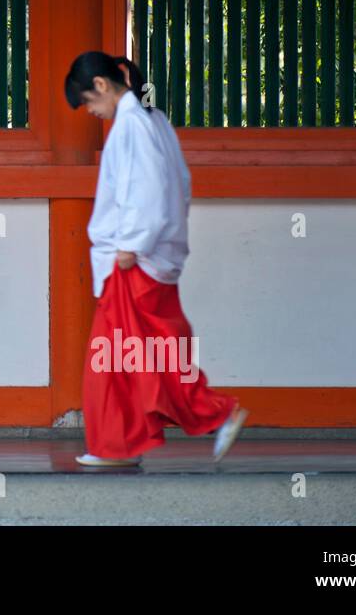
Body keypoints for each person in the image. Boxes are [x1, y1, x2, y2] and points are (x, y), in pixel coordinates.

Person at [64, 51, 248, 467]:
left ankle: (207, 416)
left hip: (132, 259)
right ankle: (124, 444)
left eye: (89, 103)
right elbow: (178, 184)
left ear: (101, 85)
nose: (92, 113)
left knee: (114, 360)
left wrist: (131, 244)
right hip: (153, 256)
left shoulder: (131, 126)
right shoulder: (155, 122)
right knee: (142, 355)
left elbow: (144, 191)